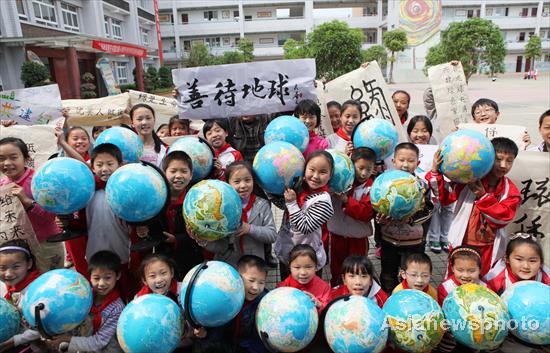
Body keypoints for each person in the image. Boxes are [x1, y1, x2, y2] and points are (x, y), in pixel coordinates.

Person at [427, 137, 521, 276]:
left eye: (509, 161)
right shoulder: (468, 179)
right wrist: (435, 172)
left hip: (488, 247)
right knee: (457, 278)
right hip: (462, 241)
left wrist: (483, 196)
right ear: (488, 157)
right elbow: (445, 197)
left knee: (483, 282)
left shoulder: (510, 189)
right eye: (498, 159)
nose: (503, 165)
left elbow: (503, 218)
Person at [0, 137, 64, 273]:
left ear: (26, 159)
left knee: (51, 284)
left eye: (13, 157)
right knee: (24, 288)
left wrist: (27, 202)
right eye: (1, 158)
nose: (7, 163)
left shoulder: (39, 182)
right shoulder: (2, 185)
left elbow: (51, 216)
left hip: (46, 245)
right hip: (18, 249)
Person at [136, 151, 204, 280]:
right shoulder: (157, 199)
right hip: (162, 262)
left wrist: (177, 239)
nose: (178, 176)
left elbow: (201, 234)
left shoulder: (197, 200)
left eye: (184, 171)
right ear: (164, 174)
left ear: (191, 176)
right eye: (173, 171)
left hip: (190, 259)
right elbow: (150, 226)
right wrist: (144, 231)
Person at [378, 143, 433, 292]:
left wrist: (409, 219)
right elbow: (376, 207)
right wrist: (380, 220)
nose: (405, 164)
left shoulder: (422, 185)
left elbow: (428, 210)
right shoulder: (384, 183)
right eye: (401, 160)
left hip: (413, 243)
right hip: (389, 240)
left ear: (418, 163)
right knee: (388, 276)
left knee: (412, 277)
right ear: (393, 161)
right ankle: (388, 304)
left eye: (410, 161)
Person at [45, 251, 125, 353]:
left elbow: (99, 342)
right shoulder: (82, 296)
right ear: (90, 277)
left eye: (108, 278)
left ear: (118, 276)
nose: (101, 283)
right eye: (96, 278)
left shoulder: (117, 308)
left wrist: (66, 339)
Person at [200, 161, 276, 267]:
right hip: (229, 267)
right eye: (237, 181)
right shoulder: (221, 207)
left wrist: (249, 228)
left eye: (247, 180)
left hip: (255, 266)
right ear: (227, 183)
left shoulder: (262, 205)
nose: (243, 185)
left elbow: (272, 235)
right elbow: (220, 246)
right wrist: (202, 240)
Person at [275, 151, 335, 279]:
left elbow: (305, 226)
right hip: (287, 253)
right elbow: (282, 205)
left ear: (330, 176)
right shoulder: (299, 188)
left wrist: (291, 203)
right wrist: (270, 188)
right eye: (311, 170)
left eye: (323, 172)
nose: (315, 176)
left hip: (307, 261)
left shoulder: (324, 200)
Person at [328, 147, 375, 286]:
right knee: (337, 267)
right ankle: (337, 290)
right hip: (337, 234)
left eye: (369, 168)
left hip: (358, 237)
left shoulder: (372, 188)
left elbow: (367, 213)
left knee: (358, 268)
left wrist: (347, 201)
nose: (364, 173)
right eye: (360, 168)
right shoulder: (340, 180)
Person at [407, 116, 454, 254]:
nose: (420, 135)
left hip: (438, 184)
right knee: (432, 210)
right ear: (409, 132)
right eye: (415, 131)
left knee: (446, 209)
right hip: (419, 189)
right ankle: (433, 238)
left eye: (424, 130)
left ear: (430, 133)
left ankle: (444, 237)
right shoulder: (406, 148)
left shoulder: (437, 149)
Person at [0, 240, 42, 352]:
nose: (8, 273)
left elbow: (43, 328)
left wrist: (15, 341)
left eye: (16, 267)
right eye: (2, 268)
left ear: (29, 264)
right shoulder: (9, 286)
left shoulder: (39, 292)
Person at [228, 255, 269, 353]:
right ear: (238, 277)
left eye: (261, 282)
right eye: (251, 281)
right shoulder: (227, 297)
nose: (256, 287)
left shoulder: (265, 304)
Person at [485, 233, 550, 295]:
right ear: (506, 259)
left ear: (541, 262)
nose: (526, 266)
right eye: (519, 259)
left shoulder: (545, 279)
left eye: (532, 261)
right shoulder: (494, 280)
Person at [277, 244, 331, 312]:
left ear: (316, 267)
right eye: (297, 267)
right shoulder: (283, 288)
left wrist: (319, 304)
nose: (303, 272)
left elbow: (329, 310)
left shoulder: (325, 288)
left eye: (308, 267)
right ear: (289, 267)